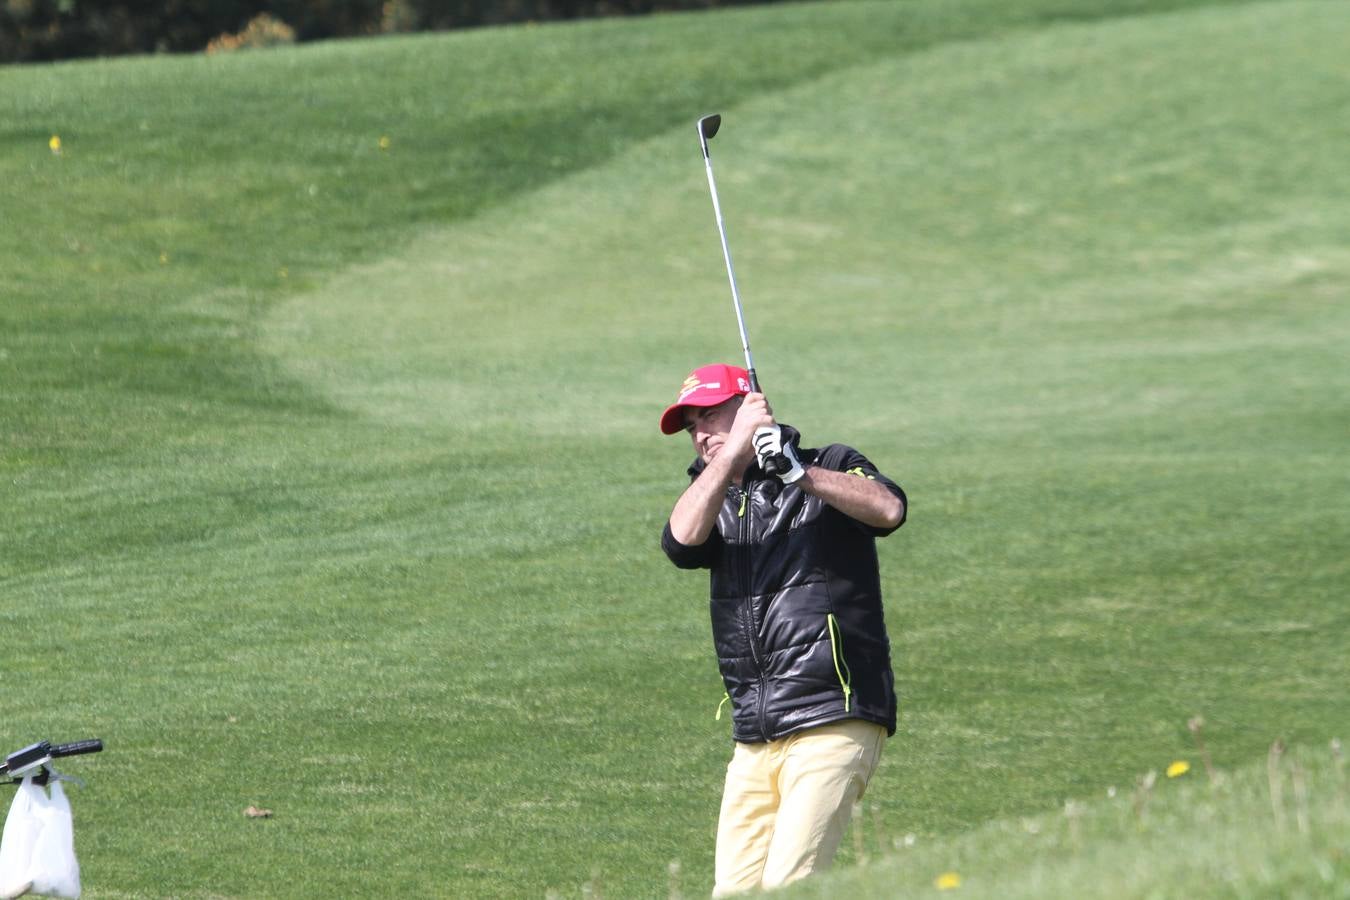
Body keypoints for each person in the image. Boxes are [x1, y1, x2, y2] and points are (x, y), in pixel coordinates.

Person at [659, 363, 908, 896]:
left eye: (711, 415)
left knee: (788, 887)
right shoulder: (715, 494)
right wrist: (732, 452)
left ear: (751, 405)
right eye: (691, 425)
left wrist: (799, 474)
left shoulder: (832, 463)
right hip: (755, 734)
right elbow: (680, 543)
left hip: (833, 714)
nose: (700, 433)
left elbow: (888, 508)